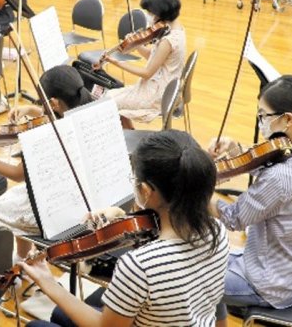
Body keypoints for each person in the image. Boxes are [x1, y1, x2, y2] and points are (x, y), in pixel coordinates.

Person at [22, 130, 228, 327]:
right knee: (60, 313)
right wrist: (123, 217)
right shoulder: (217, 231)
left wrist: (47, 281)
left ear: (146, 190)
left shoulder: (139, 266)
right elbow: (215, 301)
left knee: (36, 325)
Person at [208, 75, 292, 319]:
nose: (261, 122)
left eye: (263, 115)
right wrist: (235, 148)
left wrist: (197, 191)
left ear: (288, 119)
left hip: (268, 283)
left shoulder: (281, 177)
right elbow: (270, 163)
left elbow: (234, 218)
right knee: (209, 257)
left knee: (187, 279)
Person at [0, 66, 95, 262]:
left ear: (54, 103)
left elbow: (17, 174)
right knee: (19, 193)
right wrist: (31, 109)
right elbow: (54, 112)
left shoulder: (48, 134)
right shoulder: (88, 113)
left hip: (55, 210)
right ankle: (23, 258)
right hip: (85, 198)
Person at [96, 0, 187, 129]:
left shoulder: (168, 40)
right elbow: (156, 58)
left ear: (161, 12)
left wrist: (115, 62)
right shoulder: (177, 29)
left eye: (151, 12)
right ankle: (129, 132)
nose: (149, 16)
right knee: (110, 96)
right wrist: (137, 45)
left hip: (157, 95)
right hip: (159, 85)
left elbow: (147, 72)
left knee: (108, 101)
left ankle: (126, 136)